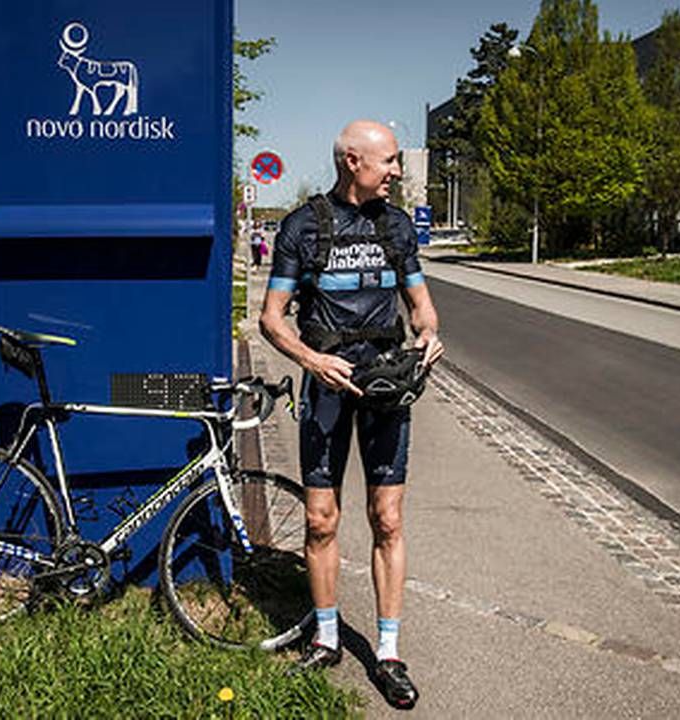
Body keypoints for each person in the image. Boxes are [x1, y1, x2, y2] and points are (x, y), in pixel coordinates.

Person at [258, 120, 443, 704]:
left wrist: (429, 336)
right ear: (352, 162)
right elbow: (271, 317)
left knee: (386, 518)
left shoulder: (397, 226)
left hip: (387, 388)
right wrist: (312, 361)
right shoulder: (302, 227)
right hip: (327, 387)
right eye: (388, 161)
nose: (396, 171)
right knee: (321, 520)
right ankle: (327, 638)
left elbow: (422, 307)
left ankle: (388, 653)